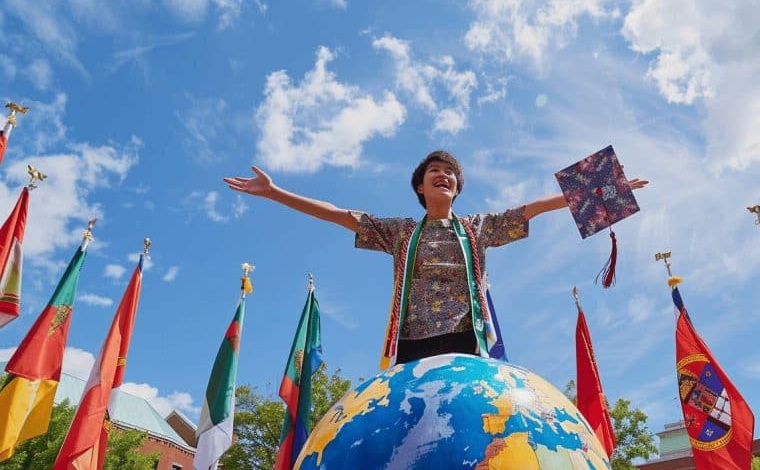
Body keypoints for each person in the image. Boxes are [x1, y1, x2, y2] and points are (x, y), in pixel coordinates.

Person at [225, 152, 647, 366]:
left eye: (450, 174)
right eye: (434, 173)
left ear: (457, 189)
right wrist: (276, 192)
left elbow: (530, 209)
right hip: (411, 345)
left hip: (469, 340)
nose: (443, 175)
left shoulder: (477, 228)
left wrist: (600, 187)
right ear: (421, 189)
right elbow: (339, 215)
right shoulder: (401, 233)